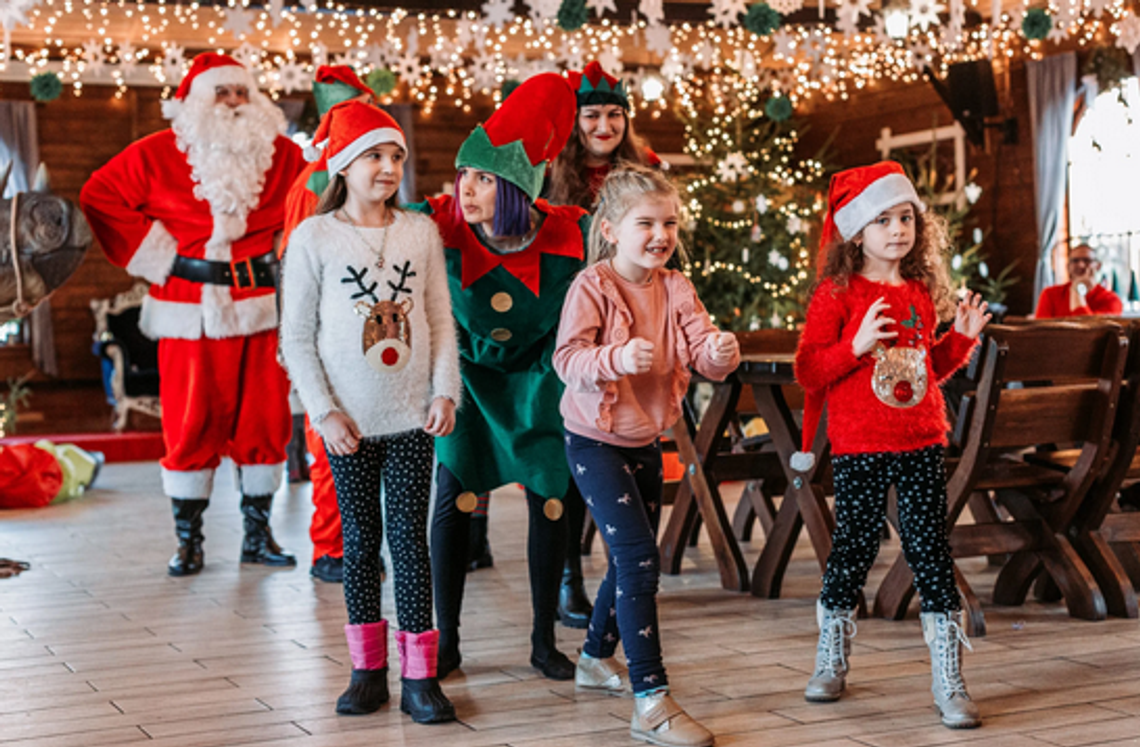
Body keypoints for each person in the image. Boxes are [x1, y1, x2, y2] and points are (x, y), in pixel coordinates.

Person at [81, 52, 305, 576]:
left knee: (265, 422)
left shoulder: (283, 156)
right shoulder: (158, 152)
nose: (231, 103)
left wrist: (287, 253)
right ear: (194, 101)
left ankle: (257, 535)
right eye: (220, 92)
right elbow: (99, 195)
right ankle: (190, 541)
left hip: (261, 308)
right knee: (188, 423)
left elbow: (312, 207)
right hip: (188, 309)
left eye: (241, 92)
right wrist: (162, 257)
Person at [279, 101, 460, 723]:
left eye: (395, 156)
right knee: (359, 546)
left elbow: (438, 319)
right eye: (374, 156)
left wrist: (445, 392)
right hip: (348, 426)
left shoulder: (419, 233)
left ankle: (420, 676)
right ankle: (366, 670)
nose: (388, 168)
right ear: (342, 164)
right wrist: (323, 411)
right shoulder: (314, 237)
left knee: (411, 544)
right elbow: (296, 337)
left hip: (412, 418)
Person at [792, 161, 990, 729]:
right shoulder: (836, 294)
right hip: (859, 445)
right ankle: (831, 657)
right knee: (854, 546)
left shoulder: (921, 292)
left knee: (931, 552)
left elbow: (930, 367)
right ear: (856, 231)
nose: (897, 229)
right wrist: (853, 345)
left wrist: (964, 340)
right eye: (882, 219)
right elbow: (808, 371)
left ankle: (949, 679)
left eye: (905, 216)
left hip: (922, 439)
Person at [412, 73, 587, 681]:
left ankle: (545, 641)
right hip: (467, 384)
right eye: (466, 176)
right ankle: (449, 640)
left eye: (485, 178)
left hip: (541, 380)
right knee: (454, 501)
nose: (469, 190)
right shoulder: (435, 224)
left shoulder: (575, 233)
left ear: (516, 185)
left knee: (551, 502)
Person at [554, 165, 734, 747]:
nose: (661, 234)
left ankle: (592, 657)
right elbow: (567, 359)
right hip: (593, 441)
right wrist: (613, 358)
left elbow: (702, 348)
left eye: (670, 223)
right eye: (646, 223)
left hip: (644, 439)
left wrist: (720, 352)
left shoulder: (676, 285)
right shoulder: (592, 286)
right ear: (611, 229)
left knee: (632, 558)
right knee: (639, 561)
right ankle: (650, 700)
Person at [544, 60, 661, 630]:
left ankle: (627, 571)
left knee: (631, 466)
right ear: (577, 122)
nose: (605, 123)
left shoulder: (644, 176)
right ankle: (570, 577)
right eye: (593, 114)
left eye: (615, 114)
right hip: (572, 330)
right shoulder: (553, 179)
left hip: (633, 336)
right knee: (571, 466)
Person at [280, 64, 375, 585]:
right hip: (331, 334)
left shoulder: (341, 173)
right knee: (332, 445)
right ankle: (331, 548)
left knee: (354, 443)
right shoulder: (319, 180)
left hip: (360, 332)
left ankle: (350, 546)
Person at [1034, 243, 1123, 318]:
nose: (1080, 265)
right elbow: (1041, 332)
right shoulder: (1050, 294)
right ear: (1068, 267)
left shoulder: (1112, 300)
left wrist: (1077, 288)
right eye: (1075, 261)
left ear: (1098, 266)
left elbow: (1086, 330)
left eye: (1087, 260)